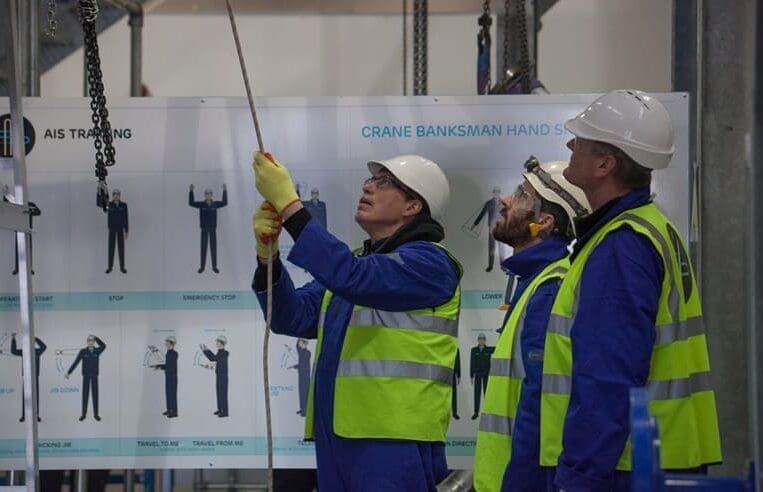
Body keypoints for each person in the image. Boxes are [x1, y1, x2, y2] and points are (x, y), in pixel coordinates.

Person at [540, 90, 722, 491]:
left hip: (623, 467)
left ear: (606, 164)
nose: (571, 146)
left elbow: (607, 374)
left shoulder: (622, 244)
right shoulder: (649, 228)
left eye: (582, 142)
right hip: (652, 458)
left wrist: (580, 477)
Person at [251, 152, 462, 491]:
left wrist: (290, 208)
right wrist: (268, 258)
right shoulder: (357, 266)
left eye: (385, 182)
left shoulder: (430, 264)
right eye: (370, 180)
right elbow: (292, 317)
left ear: (413, 207)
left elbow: (355, 278)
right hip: (340, 435)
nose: (368, 187)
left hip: (394, 440)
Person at [472, 158, 591, 492]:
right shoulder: (537, 280)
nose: (506, 201)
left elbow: (538, 401)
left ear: (545, 221)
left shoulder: (549, 289)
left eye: (520, 195)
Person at [66, 334, 107, 421]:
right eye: (89, 340)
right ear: (87, 342)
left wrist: (96, 337)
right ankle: (83, 414)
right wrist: (69, 372)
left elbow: (104, 346)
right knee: (85, 395)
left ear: (94, 342)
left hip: (95, 376)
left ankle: (96, 415)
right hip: (86, 376)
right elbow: (76, 361)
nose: (90, 342)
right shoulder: (83, 351)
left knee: (95, 395)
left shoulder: (97, 351)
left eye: (92, 340)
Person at [189, 184, 228, 274]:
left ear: (212, 195)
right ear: (205, 195)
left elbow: (224, 202)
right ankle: (202, 267)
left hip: (213, 229)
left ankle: (214, 267)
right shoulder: (201, 204)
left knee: (213, 248)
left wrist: (224, 191)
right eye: (206, 193)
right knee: (203, 248)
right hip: (204, 229)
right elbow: (191, 203)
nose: (208, 195)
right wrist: (191, 191)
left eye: (209, 193)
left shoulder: (215, 204)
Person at [3, 185, 41, 275]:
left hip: (27, 229)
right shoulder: (16, 204)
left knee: (28, 249)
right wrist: (5, 193)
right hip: (18, 227)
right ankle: (17, 267)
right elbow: (6, 203)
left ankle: (29, 267)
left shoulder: (29, 204)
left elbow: (38, 212)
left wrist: (30, 212)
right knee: (18, 249)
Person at [11, 333, 47, 422]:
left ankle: (36, 415)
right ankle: (24, 415)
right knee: (25, 397)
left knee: (36, 396)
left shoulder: (38, 351)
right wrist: (13, 340)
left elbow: (44, 347)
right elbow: (13, 351)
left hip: (35, 376)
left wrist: (35, 338)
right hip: (26, 377)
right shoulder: (24, 351)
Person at [471, 187, 504, 272]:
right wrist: (475, 224)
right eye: (495, 193)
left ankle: (503, 265)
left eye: (498, 193)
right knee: (491, 247)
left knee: (501, 247)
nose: (496, 194)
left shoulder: (504, 203)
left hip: (501, 227)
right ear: (493, 193)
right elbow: (482, 214)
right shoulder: (489, 203)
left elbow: (508, 215)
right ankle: (490, 265)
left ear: (499, 194)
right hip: (492, 227)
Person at [201, 336, 229, 417]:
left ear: (221, 343)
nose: (216, 343)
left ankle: (225, 412)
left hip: (223, 376)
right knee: (219, 393)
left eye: (217, 342)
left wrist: (206, 351)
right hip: (219, 375)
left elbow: (213, 359)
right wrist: (206, 350)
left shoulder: (224, 353)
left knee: (223, 394)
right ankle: (220, 409)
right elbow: (214, 359)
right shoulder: (220, 352)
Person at [102, 189, 128, 274]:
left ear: (120, 195)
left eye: (117, 194)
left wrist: (126, 230)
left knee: (121, 248)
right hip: (112, 229)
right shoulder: (109, 205)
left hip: (120, 229)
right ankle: (110, 267)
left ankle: (122, 267)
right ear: (112, 196)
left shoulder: (123, 205)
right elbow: (104, 209)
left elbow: (126, 218)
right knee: (111, 248)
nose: (116, 195)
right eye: (114, 194)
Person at [153, 336, 178, 418]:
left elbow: (171, 366)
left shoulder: (174, 354)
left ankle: (174, 412)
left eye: (167, 343)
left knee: (172, 394)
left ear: (172, 344)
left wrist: (161, 367)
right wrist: (158, 365)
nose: (166, 344)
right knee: (168, 393)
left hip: (172, 377)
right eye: (166, 343)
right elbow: (167, 365)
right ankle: (169, 409)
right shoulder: (168, 352)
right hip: (168, 376)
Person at [470, 334, 493, 419]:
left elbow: (498, 348)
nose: (481, 340)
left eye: (483, 339)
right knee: (477, 393)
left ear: (485, 340)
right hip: (478, 374)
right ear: (478, 340)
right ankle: (476, 412)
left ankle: (487, 411)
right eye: (480, 339)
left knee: (486, 393)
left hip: (486, 374)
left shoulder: (489, 349)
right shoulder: (474, 350)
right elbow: (471, 363)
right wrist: (471, 375)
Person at [290, 338, 312, 417]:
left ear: (304, 344)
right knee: (301, 393)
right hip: (301, 375)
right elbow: (297, 347)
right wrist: (299, 339)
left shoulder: (307, 353)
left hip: (305, 376)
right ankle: (302, 408)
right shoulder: (302, 353)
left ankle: (305, 411)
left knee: (305, 393)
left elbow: (304, 366)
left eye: (301, 343)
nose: (299, 345)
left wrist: (296, 366)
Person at [451, 349, 461, 420]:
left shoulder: (456, 349)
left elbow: (458, 362)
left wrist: (458, 374)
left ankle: (454, 412)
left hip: (452, 373)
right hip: (442, 373)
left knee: (453, 394)